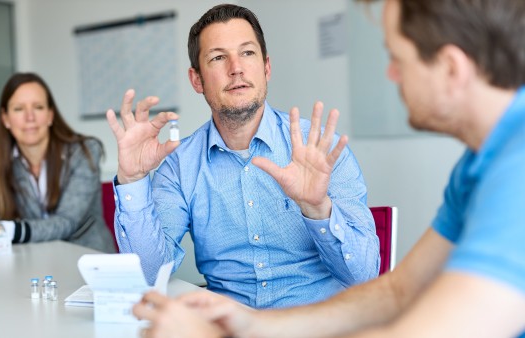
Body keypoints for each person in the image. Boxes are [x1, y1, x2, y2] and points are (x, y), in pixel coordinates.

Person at [132, 0, 525, 336]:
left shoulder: (517, 168)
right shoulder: (479, 162)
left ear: (452, 68)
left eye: (396, 58)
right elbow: (397, 292)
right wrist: (251, 326)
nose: (390, 75)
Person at [106, 4, 380, 309]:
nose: (236, 67)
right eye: (218, 57)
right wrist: (132, 179)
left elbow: (365, 277)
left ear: (266, 68)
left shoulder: (320, 149)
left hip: (317, 324)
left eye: (247, 53)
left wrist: (318, 208)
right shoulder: (179, 164)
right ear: (196, 80)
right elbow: (148, 276)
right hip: (228, 326)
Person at [0, 72, 115, 253]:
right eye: (19, 109)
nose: (30, 117)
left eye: (38, 107)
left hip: (88, 259)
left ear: (50, 115)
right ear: (5, 118)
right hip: (33, 261)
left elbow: (66, 222)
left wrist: (2, 231)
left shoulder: (85, 151)